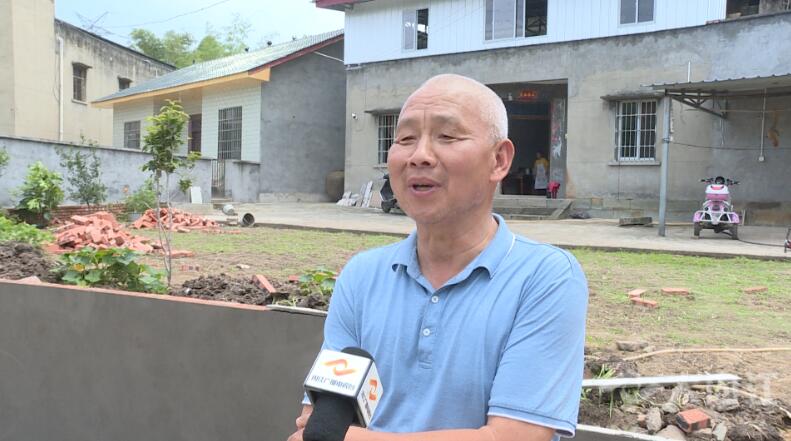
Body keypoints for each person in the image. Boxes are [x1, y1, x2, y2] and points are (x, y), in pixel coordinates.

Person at [289, 74, 588, 441]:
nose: (419, 156)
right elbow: (318, 421)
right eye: (405, 139)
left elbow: (514, 435)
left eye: (447, 136)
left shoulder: (545, 278)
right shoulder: (362, 276)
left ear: (499, 160)